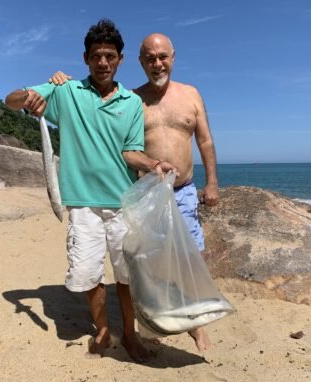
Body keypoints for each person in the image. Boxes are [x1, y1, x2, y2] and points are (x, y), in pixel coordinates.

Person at [5, 20, 175, 363]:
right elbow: (10, 100)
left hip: (123, 203)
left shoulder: (130, 103)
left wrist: (154, 164)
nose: (103, 63)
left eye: (109, 56)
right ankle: (101, 329)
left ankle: (129, 334)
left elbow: (130, 151)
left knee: (126, 277)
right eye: (96, 56)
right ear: (86, 58)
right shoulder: (66, 92)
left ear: (120, 59)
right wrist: (29, 98)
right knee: (87, 273)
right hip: (82, 204)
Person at [49, 33, 219, 352]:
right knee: (149, 263)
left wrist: (212, 183)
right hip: (147, 192)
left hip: (182, 190)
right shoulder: (131, 100)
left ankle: (196, 326)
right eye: (150, 59)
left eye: (163, 57)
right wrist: (60, 82)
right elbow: (123, 147)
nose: (158, 64)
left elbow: (205, 141)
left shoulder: (191, 95)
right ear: (139, 62)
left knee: (192, 258)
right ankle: (153, 318)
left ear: (173, 56)